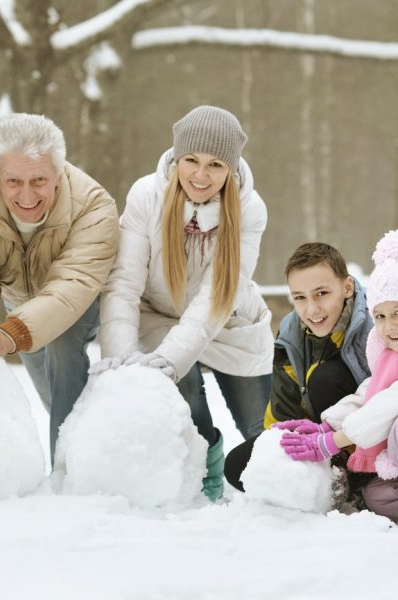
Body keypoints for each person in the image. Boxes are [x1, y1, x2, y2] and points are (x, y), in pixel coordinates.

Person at [93, 105, 274, 501]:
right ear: (176, 158)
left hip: (231, 320)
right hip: (159, 315)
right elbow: (123, 284)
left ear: (231, 168)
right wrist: (122, 362)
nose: (200, 175)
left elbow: (216, 298)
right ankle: (205, 477)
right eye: (190, 160)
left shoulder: (250, 209)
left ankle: (284, 489)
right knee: (183, 387)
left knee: (260, 426)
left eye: (215, 165)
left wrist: (177, 354)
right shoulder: (146, 196)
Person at [0, 113, 119, 462]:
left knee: (61, 349)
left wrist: (10, 333)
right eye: (13, 180)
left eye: (39, 180)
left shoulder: (93, 204)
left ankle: (68, 469)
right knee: (55, 397)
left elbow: (71, 285)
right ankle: (96, 436)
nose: (26, 194)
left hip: (79, 302)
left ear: (59, 174)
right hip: (19, 306)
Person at [224, 242, 372, 492]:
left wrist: (334, 441)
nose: (311, 309)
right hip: (313, 431)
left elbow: (382, 400)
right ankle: (320, 479)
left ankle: (350, 478)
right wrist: (278, 444)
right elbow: (283, 402)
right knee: (238, 466)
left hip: (362, 436)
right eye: (300, 298)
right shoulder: (292, 330)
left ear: (347, 287)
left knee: (325, 377)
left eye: (322, 293)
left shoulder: (375, 324)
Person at [280, 230, 398, 520]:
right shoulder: (388, 355)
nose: (388, 326)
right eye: (380, 316)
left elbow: (385, 407)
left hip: (380, 436)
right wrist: (326, 426)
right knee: (377, 497)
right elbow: (369, 395)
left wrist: (335, 441)